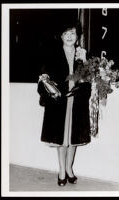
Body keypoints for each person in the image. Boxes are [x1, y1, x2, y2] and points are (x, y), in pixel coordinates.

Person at [37, 20, 91, 186]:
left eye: (73, 33)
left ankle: (69, 169)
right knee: (61, 140)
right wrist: (44, 80)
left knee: (73, 138)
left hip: (77, 103)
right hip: (59, 102)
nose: (69, 36)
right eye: (66, 33)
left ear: (77, 36)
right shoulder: (52, 54)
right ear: (61, 36)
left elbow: (89, 79)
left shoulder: (81, 55)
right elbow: (43, 78)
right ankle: (61, 170)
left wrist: (86, 61)